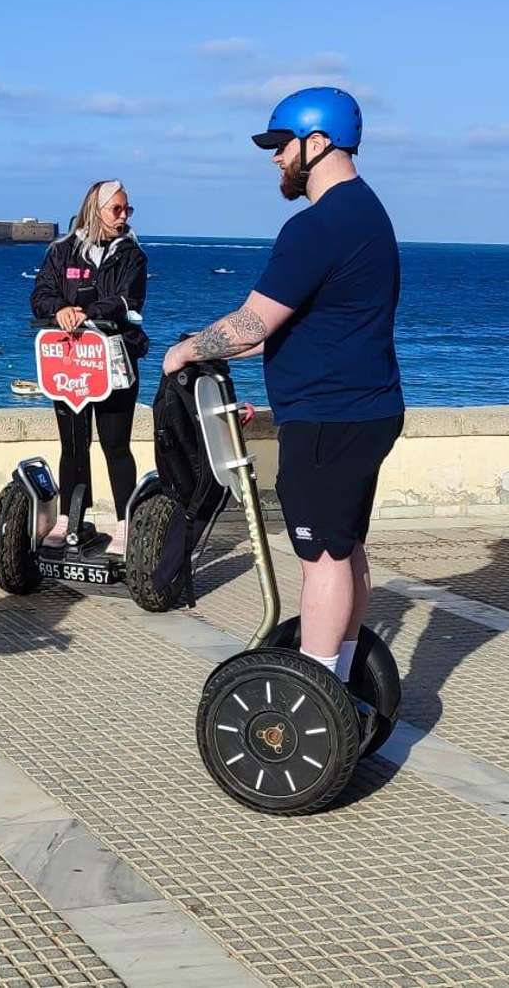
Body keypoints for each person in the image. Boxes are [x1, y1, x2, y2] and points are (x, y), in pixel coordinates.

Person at [159, 86, 402, 684]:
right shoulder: (369, 213)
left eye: (280, 144)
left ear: (316, 144)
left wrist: (183, 351)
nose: (274, 158)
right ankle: (340, 679)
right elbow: (306, 328)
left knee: (319, 558)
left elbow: (251, 325)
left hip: (326, 418)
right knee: (345, 550)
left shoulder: (316, 226)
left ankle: (313, 693)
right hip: (368, 409)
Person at [29, 179, 149, 555]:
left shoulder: (132, 255)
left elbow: (128, 300)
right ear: (95, 210)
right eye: (117, 209)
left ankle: (126, 523)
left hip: (115, 359)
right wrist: (59, 310)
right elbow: (40, 295)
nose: (123, 216)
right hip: (69, 361)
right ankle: (70, 518)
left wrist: (87, 312)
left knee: (116, 444)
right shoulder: (62, 251)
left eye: (127, 209)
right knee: (73, 445)